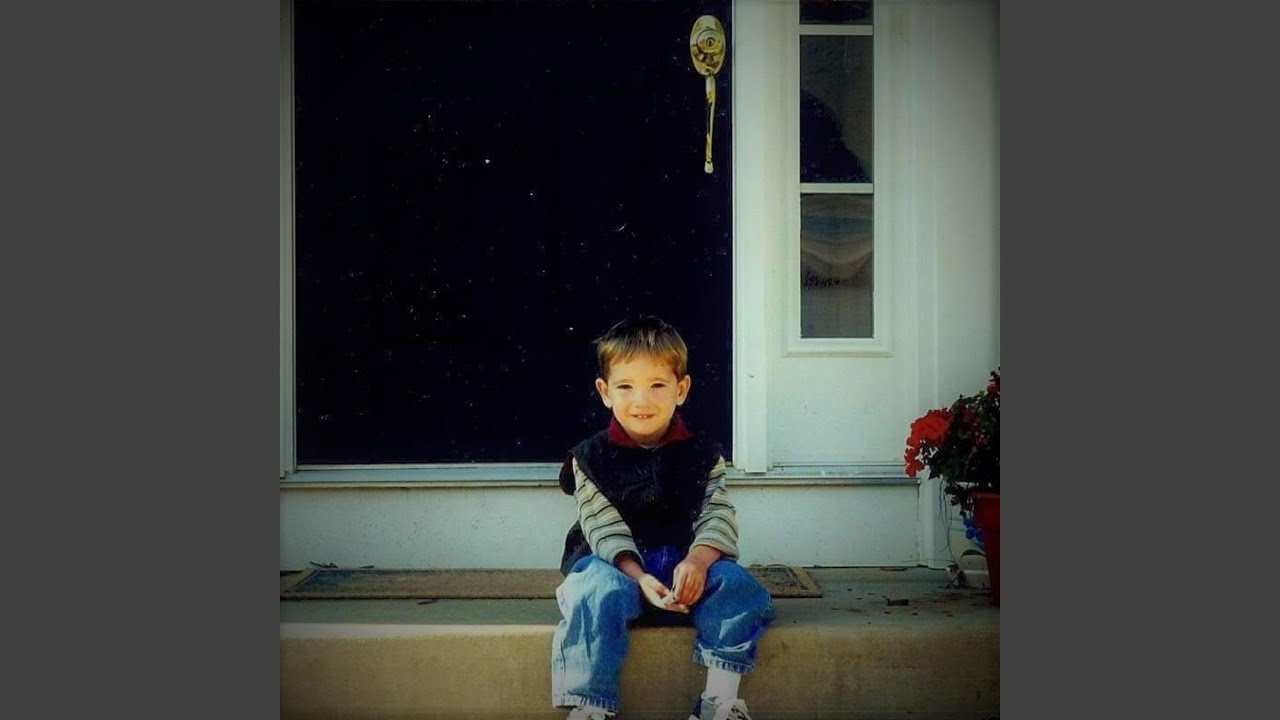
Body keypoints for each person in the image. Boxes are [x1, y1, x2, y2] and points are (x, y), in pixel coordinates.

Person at [551, 316, 776, 720]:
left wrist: (699, 561)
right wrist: (638, 577)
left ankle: (719, 701)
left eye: (657, 385)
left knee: (738, 585)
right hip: (615, 569)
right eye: (625, 387)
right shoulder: (589, 458)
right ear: (604, 392)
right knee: (592, 590)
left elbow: (717, 513)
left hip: (683, 571)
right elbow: (602, 527)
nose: (642, 401)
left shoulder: (703, 454)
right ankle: (590, 704)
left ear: (681, 389)